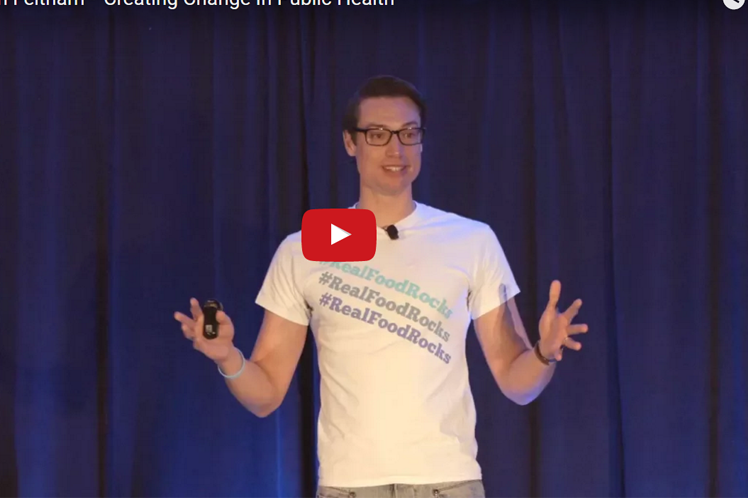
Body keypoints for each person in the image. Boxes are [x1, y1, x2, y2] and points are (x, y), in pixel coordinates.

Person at [175, 75, 589, 498]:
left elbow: (516, 383)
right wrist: (227, 356)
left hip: (447, 483)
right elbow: (265, 394)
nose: (396, 149)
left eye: (409, 133)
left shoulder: (471, 240)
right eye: (377, 134)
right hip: (349, 486)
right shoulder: (304, 249)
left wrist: (544, 352)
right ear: (350, 143)